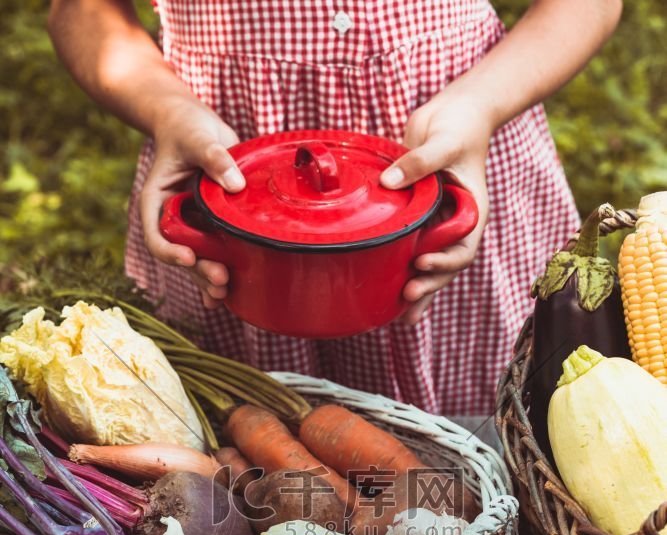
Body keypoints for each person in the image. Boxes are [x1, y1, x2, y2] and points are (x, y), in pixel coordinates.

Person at [47, 1, 622, 416]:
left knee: (498, 440)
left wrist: (478, 106)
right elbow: (80, 10)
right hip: (221, 175)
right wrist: (167, 112)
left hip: (455, 153)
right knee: (239, 447)